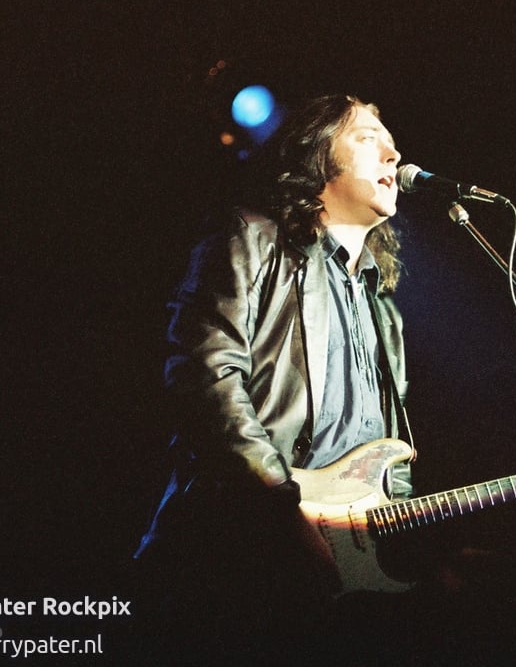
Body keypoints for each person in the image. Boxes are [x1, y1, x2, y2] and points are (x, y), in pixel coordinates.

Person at [131, 94, 417, 663]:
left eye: (390, 143)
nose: (393, 154)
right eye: (368, 138)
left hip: (338, 582)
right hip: (235, 557)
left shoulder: (381, 303)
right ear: (317, 155)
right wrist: (282, 507)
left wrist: (415, 547)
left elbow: (390, 455)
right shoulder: (252, 238)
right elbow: (206, 374)